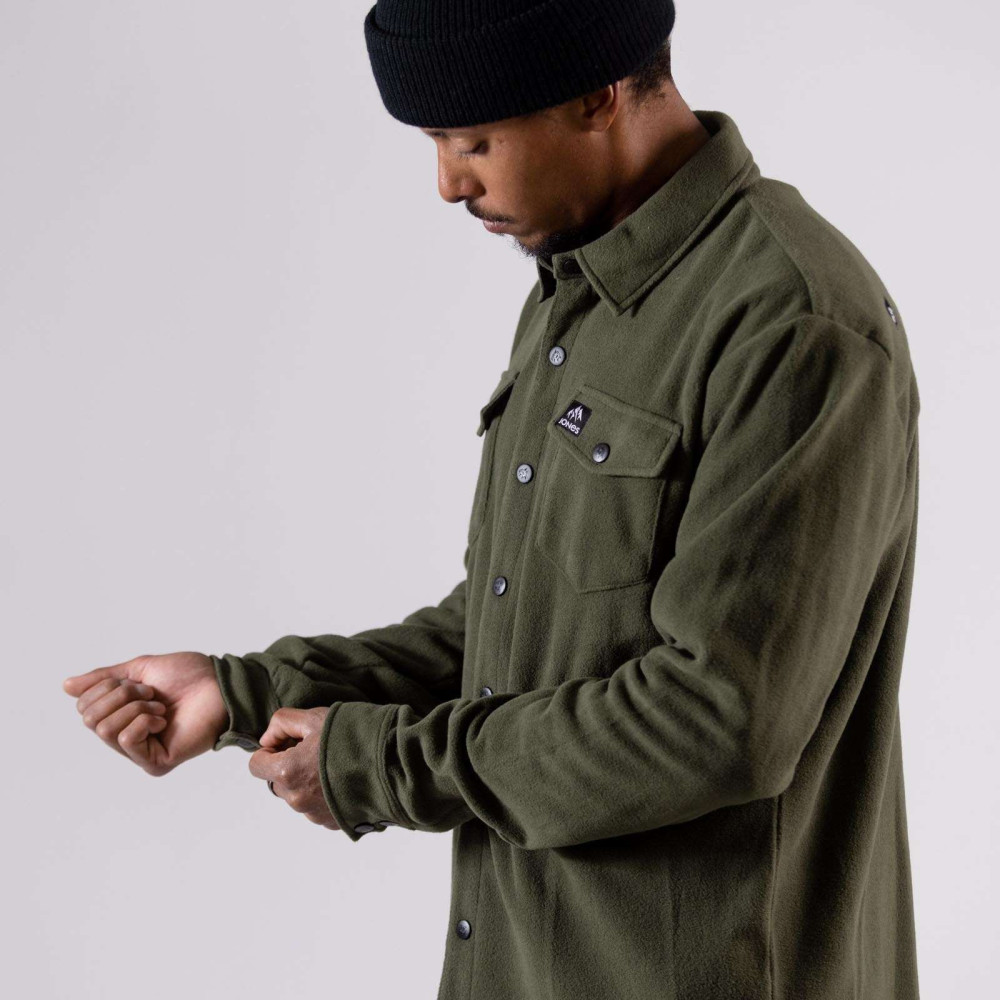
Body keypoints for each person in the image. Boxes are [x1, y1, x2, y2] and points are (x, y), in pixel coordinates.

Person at [63, 2, 922, 997]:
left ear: (598, 96)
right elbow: (512, 631)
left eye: (473, 141)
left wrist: (381, 765)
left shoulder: (791, 321)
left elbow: (717, 719)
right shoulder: (578, 286)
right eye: (433, 143)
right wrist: (243, 692)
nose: (448, 184)